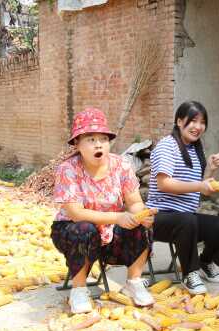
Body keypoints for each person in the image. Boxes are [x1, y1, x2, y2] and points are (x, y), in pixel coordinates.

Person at [51, 108, 157, 314]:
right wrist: (118, 217)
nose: (98, 144)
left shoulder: (121, 165)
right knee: (83, 229)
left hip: (111, 229)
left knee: (143, 224)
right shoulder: (68, 169)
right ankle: (79, 290)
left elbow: (134, 201)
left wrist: (140, 213)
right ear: (77, 144)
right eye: (90, 139)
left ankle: (133, 282)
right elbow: (75, 213)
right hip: (73, 230)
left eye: (103, 139)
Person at [146, 101, 219, 295]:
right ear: (179, 121)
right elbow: (164, 184)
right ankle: (189, 273)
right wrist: (200, 185)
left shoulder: (195, 149)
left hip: (186, 219)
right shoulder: (167, 146)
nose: (198, 127)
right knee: (188, 220)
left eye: (202, 122)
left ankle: (205, 262)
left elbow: (203, 191)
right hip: (158, 217)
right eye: (193, 121)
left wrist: (210, 168)